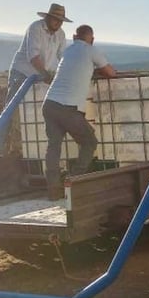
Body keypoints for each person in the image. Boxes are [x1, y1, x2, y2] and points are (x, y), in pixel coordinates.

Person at [42, 24, 118, 199]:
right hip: (68, 107)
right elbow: (111, 73)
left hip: (49, 104)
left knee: (54, 146)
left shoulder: (68, 52)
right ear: (91, 38)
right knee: (89, 142)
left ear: (75, 37)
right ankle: (74, 183)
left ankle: (53, 189)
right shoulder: (91, 51)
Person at [0, 2, 71, 156]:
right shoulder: (36, 28)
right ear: (48, 17)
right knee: (11, 111)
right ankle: (0, 150)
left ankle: (23, 150)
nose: (58, 23)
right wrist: (46, 75)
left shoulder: (61, 34)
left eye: (61, 21)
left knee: (33, 114)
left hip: (42, 77)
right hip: (23, 73)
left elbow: (63, 57)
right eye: (55, 19)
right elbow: (33, 56)